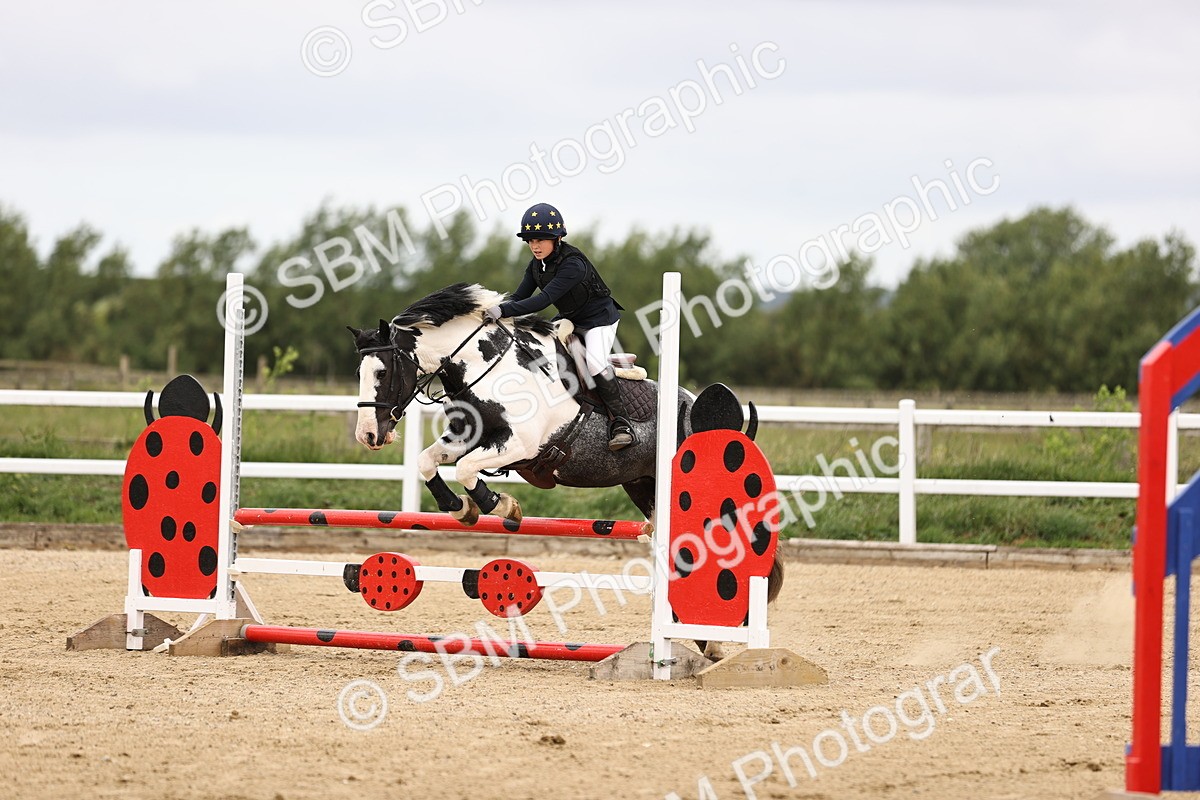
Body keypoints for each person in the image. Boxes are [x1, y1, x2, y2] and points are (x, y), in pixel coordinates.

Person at [485, 202, 635, 451]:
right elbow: (519, 297)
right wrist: (493, 308)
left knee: (596, 362)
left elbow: (543, 300)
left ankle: (622, 424)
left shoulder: (573, 264)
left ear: (558, 238)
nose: (534, 246)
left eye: (540, 240)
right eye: (530, 240)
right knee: (537, 348)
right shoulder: (536, 266)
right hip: (570, 318)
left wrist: (503, 311)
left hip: (599, 320)